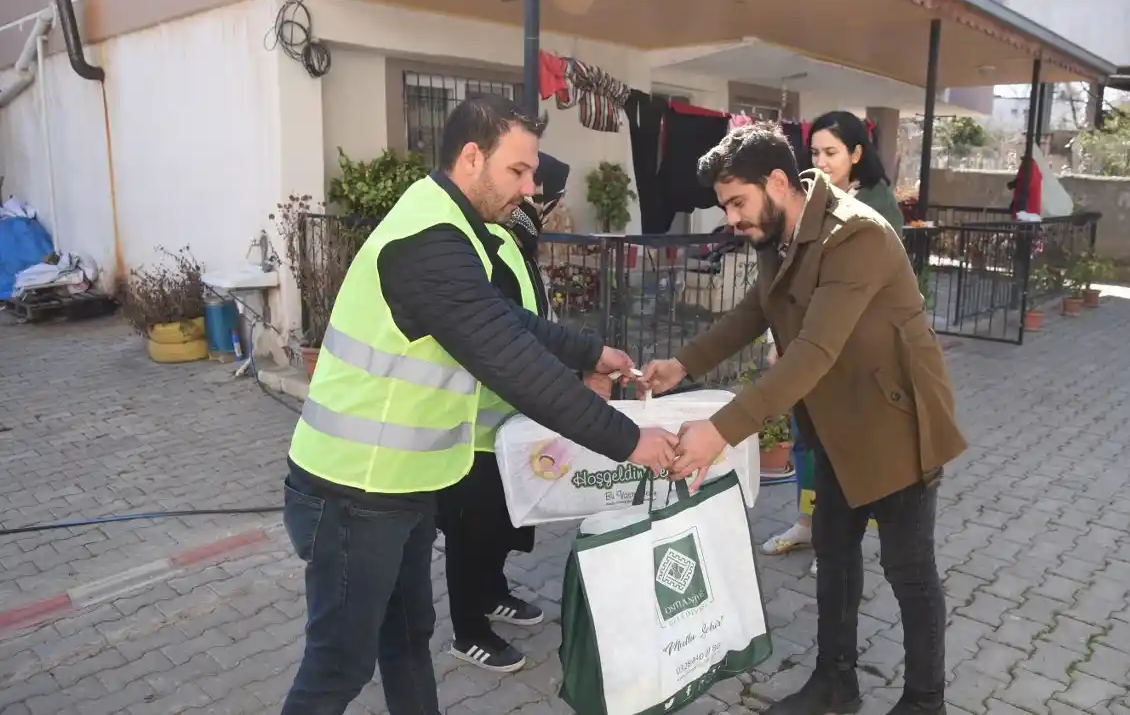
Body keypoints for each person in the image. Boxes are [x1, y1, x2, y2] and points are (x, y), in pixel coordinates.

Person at [280, 94, 679, 715]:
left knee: (409, 637)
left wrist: (589, 350)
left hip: (402, 488)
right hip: (351, 492)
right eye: (518, 171)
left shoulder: (453, 228)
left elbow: (505, 319)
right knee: (340, 665)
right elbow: (511, 361)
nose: (529, 188)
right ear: (472, 157)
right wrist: (630, 442)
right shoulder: (426, 242)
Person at [644, 122, 966, 715]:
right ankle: (835, 685)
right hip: (835, 423)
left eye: (738, 203)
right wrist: (681, 364)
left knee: (909, 570)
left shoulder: (857, 234)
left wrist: (720, 430)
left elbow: (814, 350)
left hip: (896, 424)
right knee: (834, 552)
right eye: (726, 207)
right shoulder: (779, 233)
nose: (734, 219)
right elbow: (753, 312)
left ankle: (926, 701)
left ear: (775, 181)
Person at [438, 154, 611, 674]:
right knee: (471, 530)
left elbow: (535, 327)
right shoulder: (487, 247)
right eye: (538, 194)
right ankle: (468, 631)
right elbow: (502, 338)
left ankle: (491, 594)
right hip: (473, 425)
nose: (539, 203)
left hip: (508, 423)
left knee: (500, 525)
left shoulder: (517, 247)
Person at [760, 111, 907, 577]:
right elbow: (785, 280)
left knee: (844, 447)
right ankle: (809, 522)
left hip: (852, 351)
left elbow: (855, 293)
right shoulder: (810, 203)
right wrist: (778, 336)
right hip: (807, 345)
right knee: (805, 442)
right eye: (815, 152)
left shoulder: (875, 209)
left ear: (857, 154)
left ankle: (839, 541)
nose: (820, 162)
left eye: (831, 152)